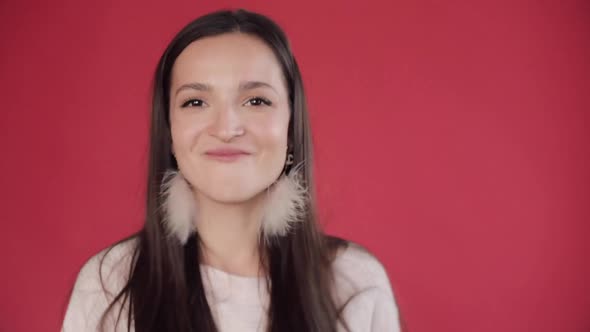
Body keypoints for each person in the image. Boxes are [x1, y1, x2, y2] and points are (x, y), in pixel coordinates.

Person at [61, 8, 401, 332]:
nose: (226, 128)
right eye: (195, 102)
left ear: (291, 127)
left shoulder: (355, 282)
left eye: (256, 101)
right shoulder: (112, 282)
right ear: (170, 133)